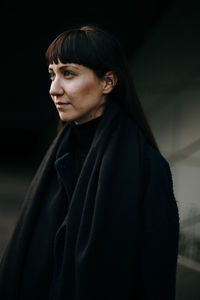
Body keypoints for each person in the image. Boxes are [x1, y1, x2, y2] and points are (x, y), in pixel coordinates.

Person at [0, 24, 179, 300]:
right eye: (52, 75)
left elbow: (156, 279)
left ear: (108, 82)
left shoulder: (147, 167)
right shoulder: (59, 156)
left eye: (68, 74)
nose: (53, 89)